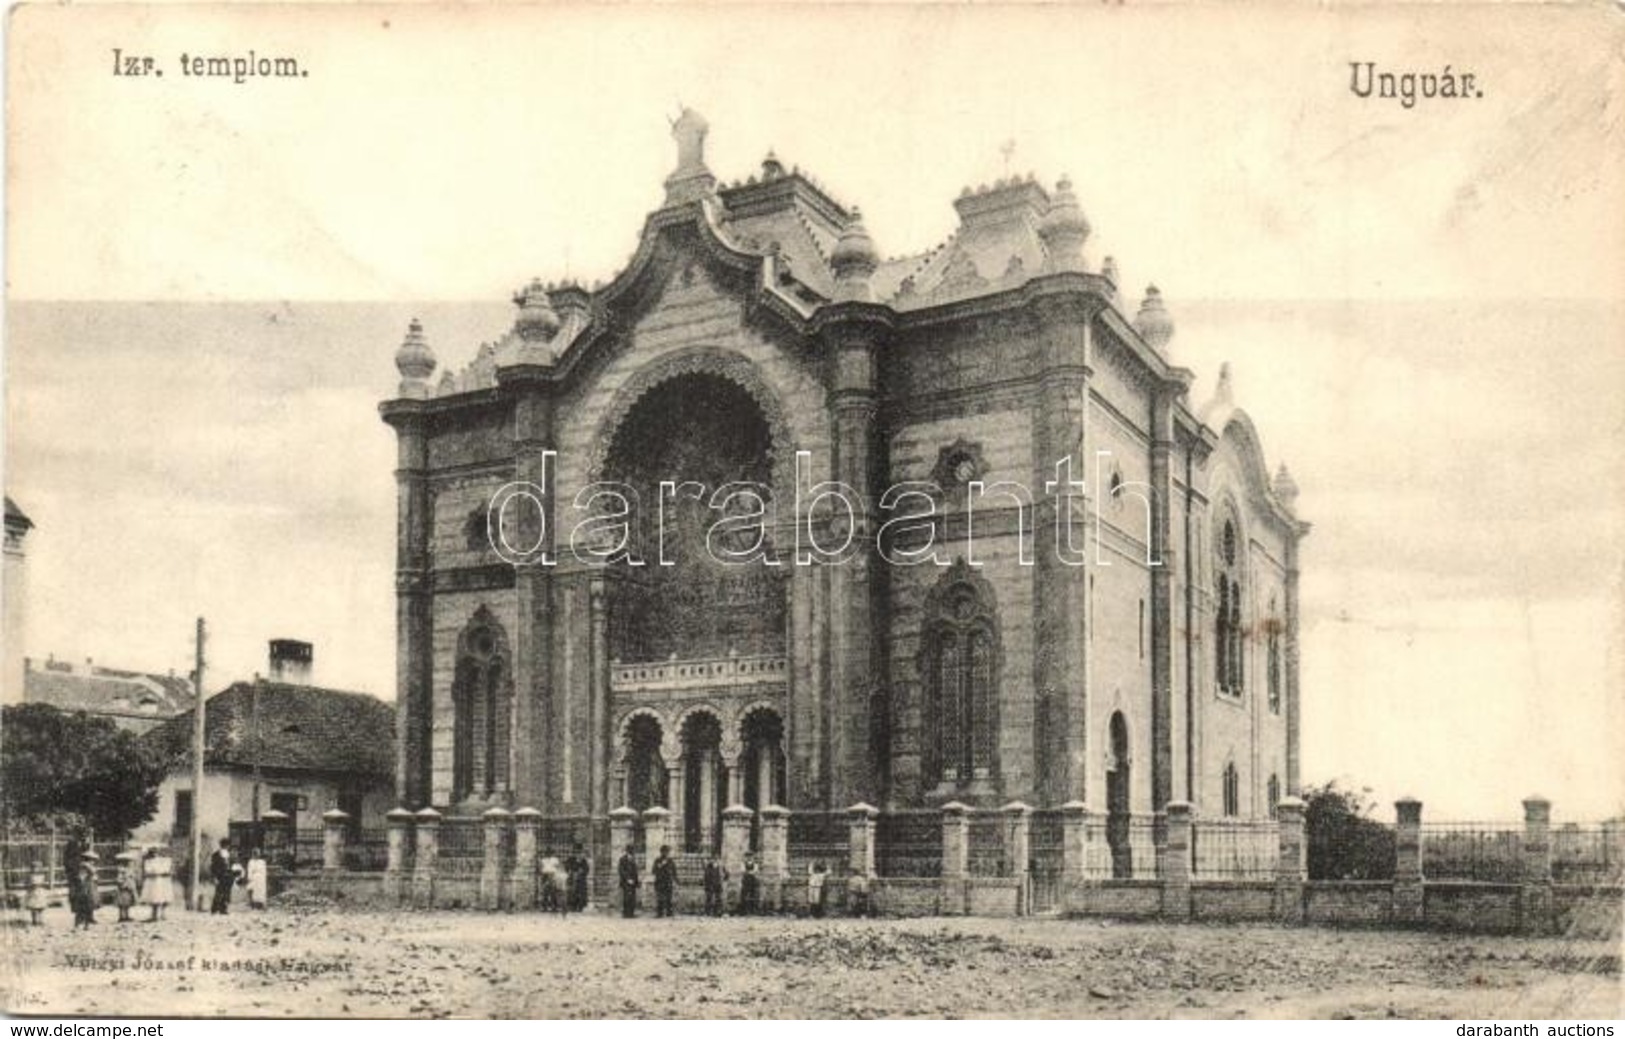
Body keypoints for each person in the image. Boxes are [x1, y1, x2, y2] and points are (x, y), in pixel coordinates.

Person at [143, 846, 173, 922]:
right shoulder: (148, 861)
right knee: (154, 898)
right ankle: (154, 915)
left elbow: (167, 870)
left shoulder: (165, 861)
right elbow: (148, 871)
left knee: (163, 898)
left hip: (162, 881)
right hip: (154, 881)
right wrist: (155, 872)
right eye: (153, 853)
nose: (155, 855)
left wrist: (165, 872)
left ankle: (163, 914)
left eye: (156, 853)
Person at [71, 852, 98, 929]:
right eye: (92, 860)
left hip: (87, 891)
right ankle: (80, 923)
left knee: (86, 908)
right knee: (82, 908)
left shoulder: (86, 869)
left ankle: (85, 924)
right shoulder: (85, 867)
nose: (93, 862)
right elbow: (82, 878)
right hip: (83, 891)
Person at [208, 839, 235, 915]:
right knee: (219, 892)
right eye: (225, 845)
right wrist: (214, 877)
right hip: (220, 876)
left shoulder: (228, 855)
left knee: (226, 893)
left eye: (227, 845)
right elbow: (213, 867)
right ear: (222, 845)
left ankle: (223, 909)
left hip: (227, 875)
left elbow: (230, 865)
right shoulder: (216, 854)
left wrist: (231, 873)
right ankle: (214, 909)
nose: (226, 846)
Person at [114, 851, 141, 923]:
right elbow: (119, 879)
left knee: (128, 902)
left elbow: (133, 877)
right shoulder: (121, 870)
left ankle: (127, 915)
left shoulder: (130, 869)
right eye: (127, 862)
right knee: (122, 902)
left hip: (130, 886)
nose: (129, 863)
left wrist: (133, 877)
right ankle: (122, 916)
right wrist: (122, 883)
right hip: (124, 887)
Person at [652, 845, 678, 918]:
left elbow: (674, 871)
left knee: (669, 897)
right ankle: (660, 913)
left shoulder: (670, 861)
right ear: (661, 852)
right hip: (660, 882)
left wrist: (676, 880)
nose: (666, 853)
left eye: (667, 852)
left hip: (668, 882)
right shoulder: (657, 860)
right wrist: (661, 865)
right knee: (660, 897)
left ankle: (669, 912)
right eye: (665, 852)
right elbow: (653, 871)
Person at [564, 843, 590, 913]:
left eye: (579, 851)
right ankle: (572, 906)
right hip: (572, 878)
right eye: (576, 851)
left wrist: (582, 871)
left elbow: (586, 868)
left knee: (581, 893)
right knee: (572, 892)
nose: (577, 853)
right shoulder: (570, 859)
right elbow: (567, 867)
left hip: (581, 879)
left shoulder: (583, 860)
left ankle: (580, 906)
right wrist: (571, 871)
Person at [617, 846, 640, 918]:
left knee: (632, 897)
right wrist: (627, 879)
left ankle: (631, 913)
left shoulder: (633, 859)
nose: (631, 853)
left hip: (633, 882)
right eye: (629, 851)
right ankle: (626, 913)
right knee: (626, 897)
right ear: (627, 851)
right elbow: (621, 870)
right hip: (625, 882)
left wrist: (636, 881)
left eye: (631, 851)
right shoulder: (622, 859)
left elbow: (635, 871)